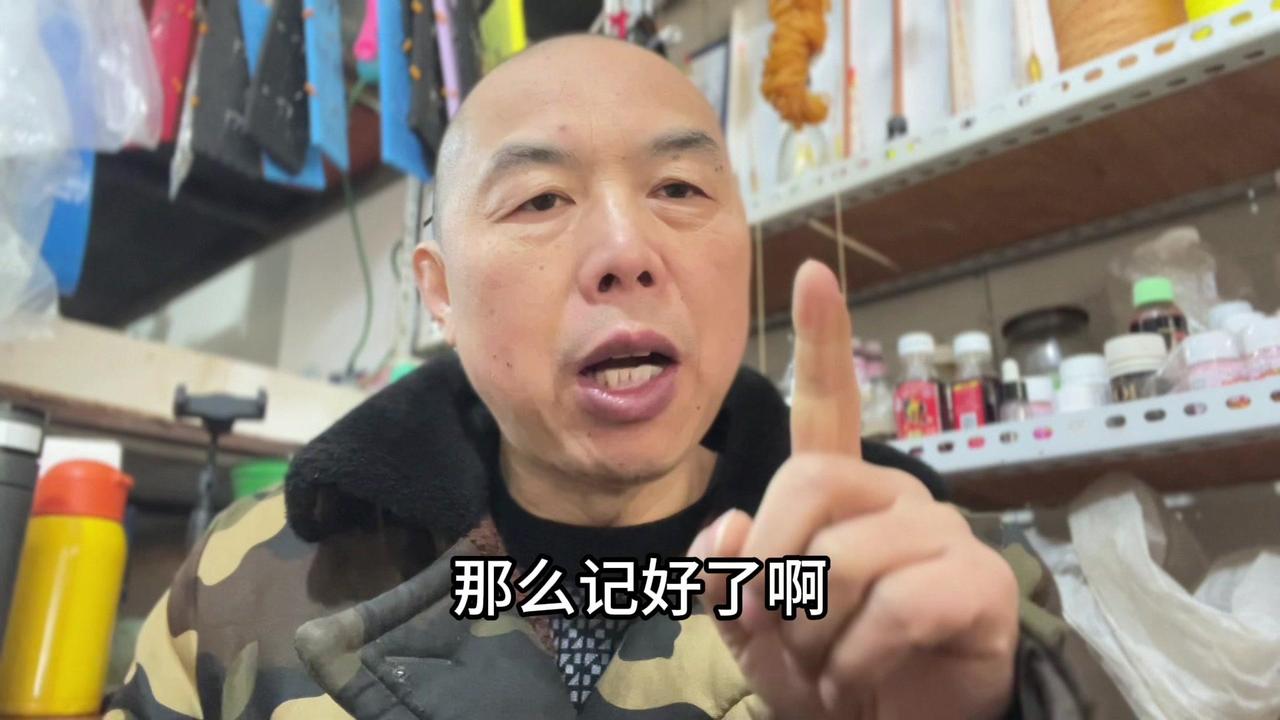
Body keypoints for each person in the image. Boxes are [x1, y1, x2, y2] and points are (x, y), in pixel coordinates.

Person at [109, 35, 1118, 719]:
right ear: (439, 291)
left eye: (678, 187)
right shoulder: (255, 581)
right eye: (540, 200)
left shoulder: (940, 584)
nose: (625, 252)